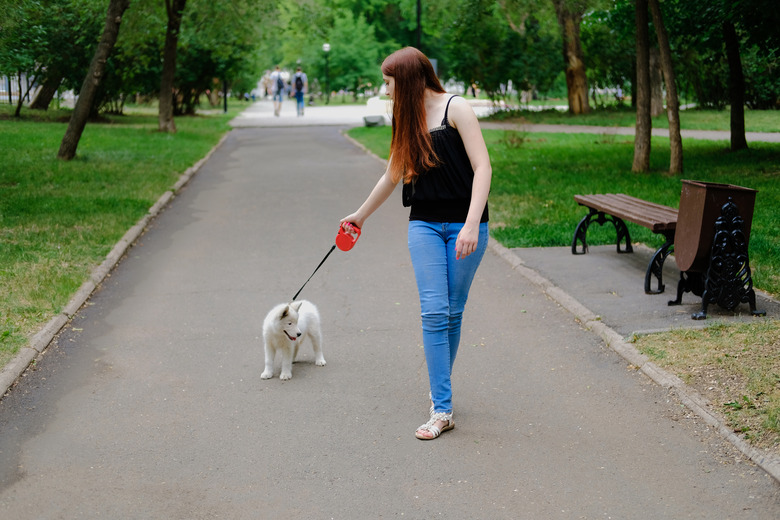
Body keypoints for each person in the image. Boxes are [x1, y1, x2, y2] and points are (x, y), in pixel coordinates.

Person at [340, 47, 491, 441]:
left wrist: (472, 223)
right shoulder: (405, 118)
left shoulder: (457, 109)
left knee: (452, 312)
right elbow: (392, 174)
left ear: (406, 80)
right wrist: (359, 216)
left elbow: (483, 167)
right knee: (434, 312)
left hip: (465, 224)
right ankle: (442, 408)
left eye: (388, 83)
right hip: (423, 223)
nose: (384, 90)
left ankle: (440, 389)